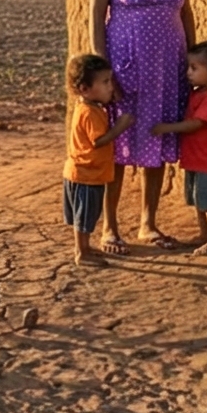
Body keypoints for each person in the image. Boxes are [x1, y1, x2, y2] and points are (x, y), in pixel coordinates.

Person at [89, 0, 196, 255]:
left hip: (169, 61)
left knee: (159, 133)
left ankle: (149, 224)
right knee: (120, 143)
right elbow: (96, 12)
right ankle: (110, 227)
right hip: (126, 61)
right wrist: (103, 71)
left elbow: (186, 11)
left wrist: (193, 61)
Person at [152, 40, 207, 256]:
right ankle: (204, 235)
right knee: (199, 200)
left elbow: (197, 123)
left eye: (194, 68)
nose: (189, 73)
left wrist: (167, 128)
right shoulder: (199, 92)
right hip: (196, 159)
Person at [63, 54, 134, 266]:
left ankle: (85, 248)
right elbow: (98, 141)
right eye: (104, 82)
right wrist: (121, 126)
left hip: (84, 172)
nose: (110, 87)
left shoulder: (86, 106)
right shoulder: (90, 113)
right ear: (85, 89)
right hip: (86, 174)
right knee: (84, 217)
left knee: (85, 216)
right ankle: (81, 253)